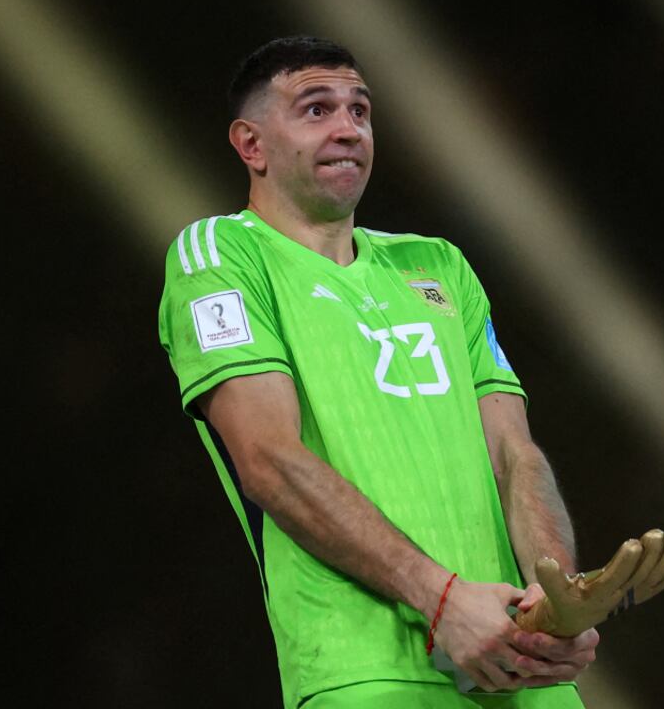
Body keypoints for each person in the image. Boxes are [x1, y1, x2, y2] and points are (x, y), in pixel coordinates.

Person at [157, 36, 596, 709]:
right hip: (364, 674)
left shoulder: (438, 267)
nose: (347, 128)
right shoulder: (220, 256)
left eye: (359, 110)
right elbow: (269, 458)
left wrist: (558, 596)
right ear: (251, 145)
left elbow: (514, 452)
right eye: (315, 109)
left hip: (517, 666)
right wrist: (442, 600)